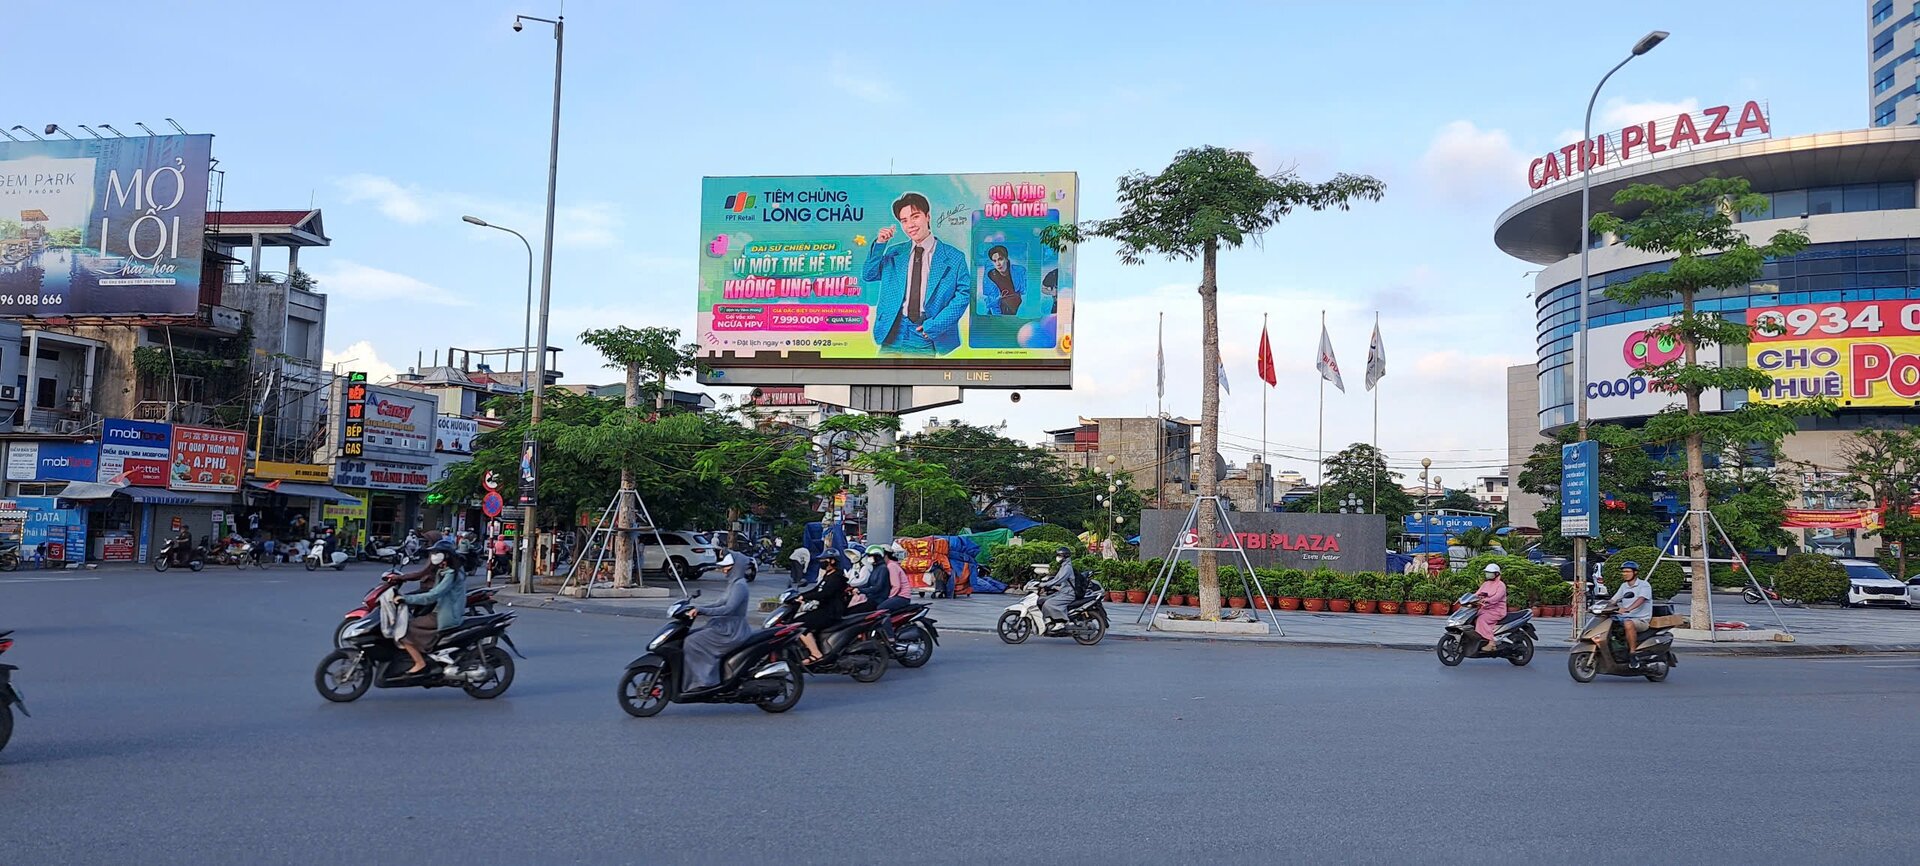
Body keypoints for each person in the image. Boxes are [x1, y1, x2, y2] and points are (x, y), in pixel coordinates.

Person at [863, 192, 971, 356]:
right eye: (904, 220)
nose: (910, 225)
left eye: (915, 217)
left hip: (925, 332)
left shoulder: (954, 257)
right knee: (883, 373)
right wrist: (880, 244)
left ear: (927, 216)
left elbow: (964, 295)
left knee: (918, 373)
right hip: (892, 330)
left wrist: (936, 325)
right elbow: (869, 275)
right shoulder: (894, 252)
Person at [682, 552, 754, 689]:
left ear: (736, 567)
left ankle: (705, 681)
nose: (723, 570)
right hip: (724, 626)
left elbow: (728, 609)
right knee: (690, 635)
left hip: (732, 631)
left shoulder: (739, 586)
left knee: (692, 642)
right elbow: (718, 603)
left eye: (727, 567)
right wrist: (696, 607)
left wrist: (703, 611)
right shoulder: (733, 584)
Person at [396, 539, 466, 675]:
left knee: (404, 630)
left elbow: (434, 595)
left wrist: (406, 599)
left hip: (445, 615)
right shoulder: (447, 570)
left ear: (446, 555)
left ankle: (420, 662)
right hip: (442, 610)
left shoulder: (451, 574)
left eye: (436, 553)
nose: (433, 556)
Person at [794, 555, 851, 665]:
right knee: (798, 620)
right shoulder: (828, 575)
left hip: (831, 611)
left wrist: (805, 597)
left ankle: (816, 654)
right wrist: (799, 596)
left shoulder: (837, 577)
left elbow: (825, 593)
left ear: (832, 561)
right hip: (823, 608)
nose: (822, 562)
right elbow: (817, 590)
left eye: (824, 560)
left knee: (800, 626)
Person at [1608, 561, 1654, 657]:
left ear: (1635, 572)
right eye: (1623, 572)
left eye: (1628, 572)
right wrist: (1601, 607)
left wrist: (1628, 609)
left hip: (1641, 620)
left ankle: (1633, 653)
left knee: (1628, 623)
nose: (1625, 574)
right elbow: (1613, 600)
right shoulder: (1624, 586)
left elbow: (1641, 599)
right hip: (1624, 617)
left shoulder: (1644, 585)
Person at [1038, 547, 1089, 627]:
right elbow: (1056, 579)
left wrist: (1044, 585)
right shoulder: (1063, 566)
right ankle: (1049, 620)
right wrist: (1045, 585)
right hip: (1063, 592)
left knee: (1048, 604)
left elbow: (1059, 580)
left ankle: (1061, 621)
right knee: (1042, 600)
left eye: (1060, 555)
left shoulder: (1067, 568)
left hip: (1069, 594)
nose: (1058, 557)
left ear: (1065, 556)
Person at [981, 244, 1028, 316]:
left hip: (1017, 310)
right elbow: (992, 301)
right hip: (996, 312)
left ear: (1006, 259)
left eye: (1000, 259)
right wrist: (999, 318)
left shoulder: (1020, 271)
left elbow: (1026, 293)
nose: (998, 264)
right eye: (994, 261)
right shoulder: (990, 276)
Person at [1473, 563, 1508, 651]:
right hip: (1485, 608)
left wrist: (1487, 600)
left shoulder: (1501, 585)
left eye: (1490, 572)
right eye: (1487, 572)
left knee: (1481, 620)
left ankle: (1491, 642)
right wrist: (1469, 599)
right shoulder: (1486, 584)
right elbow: (1477, 594)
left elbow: (1497, 597)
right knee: (1473, 618)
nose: (1487, 574)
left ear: (1496, 574)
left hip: (1497, 610)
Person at [847, 550, 888, 615]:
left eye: (870, 556)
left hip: (878, 599)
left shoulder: (883, 569)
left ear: (877, 557)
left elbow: (878, 587)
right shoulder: (875, 568)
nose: (868, 558)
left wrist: (861, 590)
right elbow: (868, 583)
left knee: (852, 612)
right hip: (871, 597)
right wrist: (857, 589)